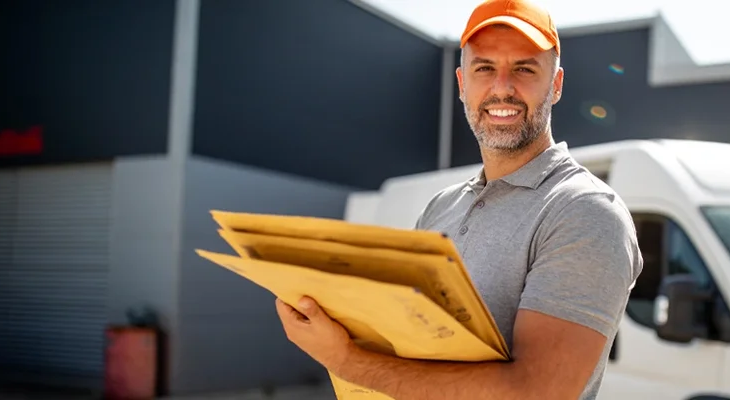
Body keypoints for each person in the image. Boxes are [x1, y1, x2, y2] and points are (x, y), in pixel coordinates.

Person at [274, 0, 642, 398]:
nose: (502, 88)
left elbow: (534, 393)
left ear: (555, 85)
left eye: (524, 68)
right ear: (462, 83)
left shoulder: (585, 211)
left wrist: (345, 360)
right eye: (484, 68)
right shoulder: (440, 208)